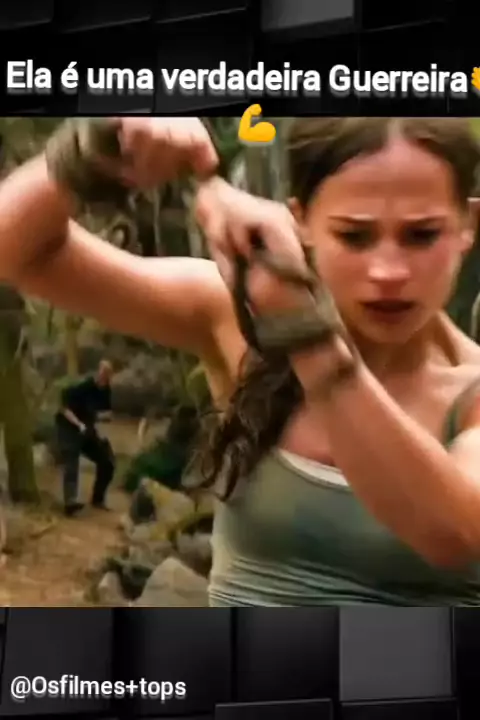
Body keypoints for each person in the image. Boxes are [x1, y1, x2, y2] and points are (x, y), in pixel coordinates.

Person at [1, 117, 480, 604]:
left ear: (469, 226)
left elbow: (452, 535)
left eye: (422, 235)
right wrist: (91, 150)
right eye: (354, 236)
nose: (388, 271)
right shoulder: (236, 320)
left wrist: (302, 331)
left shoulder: (469, 393)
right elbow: (19, 252)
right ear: (301, 222)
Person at [55, 359, 115, 515]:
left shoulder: (105, 390)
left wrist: (99, 425)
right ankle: (70, 502)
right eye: (103, 373)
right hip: (69, 428)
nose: (104, 377)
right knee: (71, 462)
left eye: (108, 374)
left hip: (87, 429)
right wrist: (79, 424)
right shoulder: (82, 387)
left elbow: (106, 412)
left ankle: (98, 499)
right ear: (98, 372)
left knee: (107, 461)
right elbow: (64, 409)